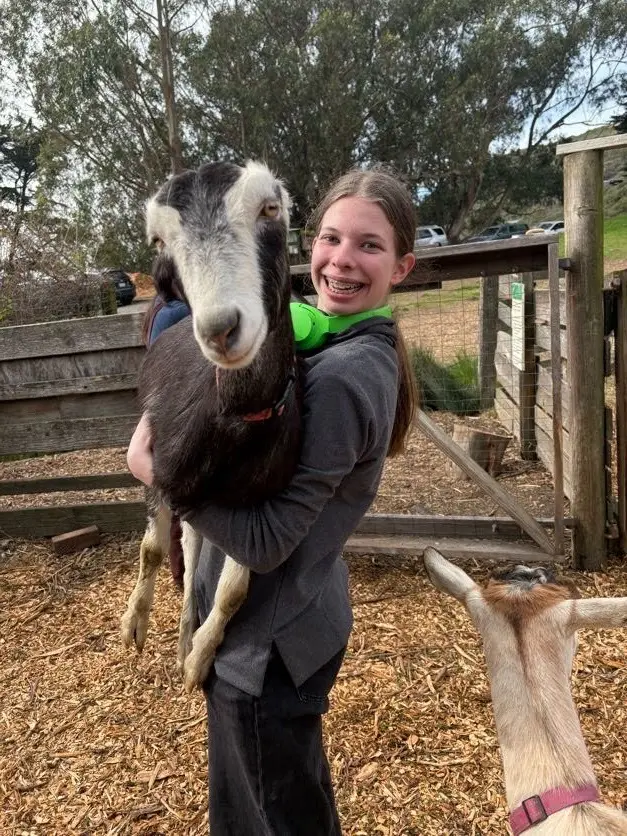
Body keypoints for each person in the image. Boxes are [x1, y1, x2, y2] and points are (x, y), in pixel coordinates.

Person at [127, 167, 418, 835]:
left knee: (271, 816)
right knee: (272, 803)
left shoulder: (346, 376)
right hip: (276, 630)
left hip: (268, 648)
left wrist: (157, 475)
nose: (341, 260)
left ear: (401, 266)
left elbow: (265, 542)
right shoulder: (312, 336)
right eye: (329, 237)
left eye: (368, 247)